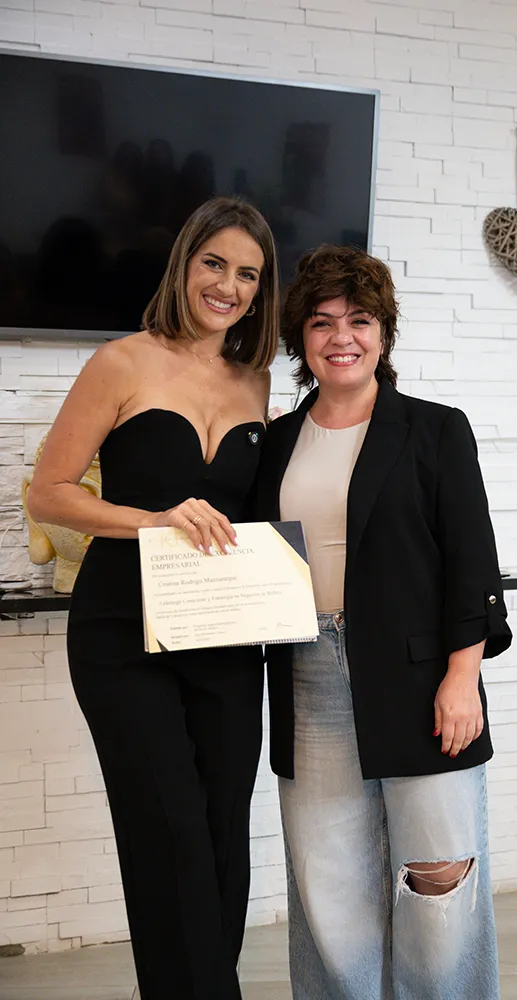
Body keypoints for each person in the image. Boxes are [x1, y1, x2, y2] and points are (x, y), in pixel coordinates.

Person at [27, 197, 280, 1000]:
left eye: (248, 274)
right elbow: (49, 493)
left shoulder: (256, 380)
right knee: (166, 828)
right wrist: (154, 520)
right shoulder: (120, 363)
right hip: (121, 632)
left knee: (221, 834)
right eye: (215, 264)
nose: (228, 286)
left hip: (226, 630)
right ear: (184, 264)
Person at [254, 245, 512, 1000]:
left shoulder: (435, 429)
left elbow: (472, 559)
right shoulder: (275, 441)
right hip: (308, 675)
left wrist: (462, 677)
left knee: (439, 877)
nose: (342, 336)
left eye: (359, 320)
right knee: (331, 888)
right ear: (301, 339)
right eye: (322, 322)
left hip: (422, 678)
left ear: (383, 332)